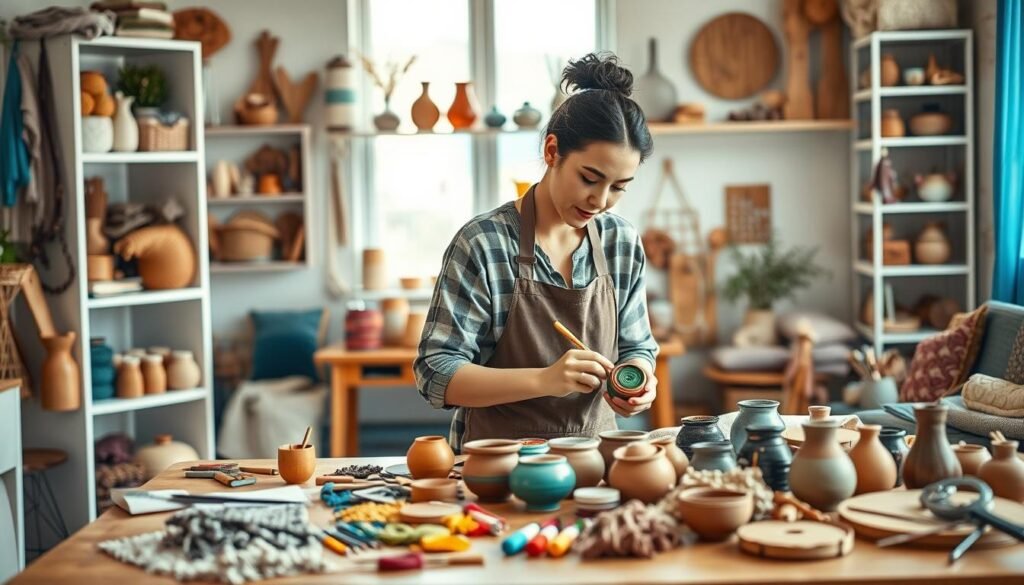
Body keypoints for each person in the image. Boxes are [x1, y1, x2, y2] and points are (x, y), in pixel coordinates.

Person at [413, 52, 658, 451]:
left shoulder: (621, 243)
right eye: (589, 178)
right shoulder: (483, 244)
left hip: (597, 462)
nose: (600, 201)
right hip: (495, 468)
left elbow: (637, 346)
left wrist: (638, 377)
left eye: (618, 187)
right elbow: (435, 371)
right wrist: (544, 380)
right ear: (551, 151)